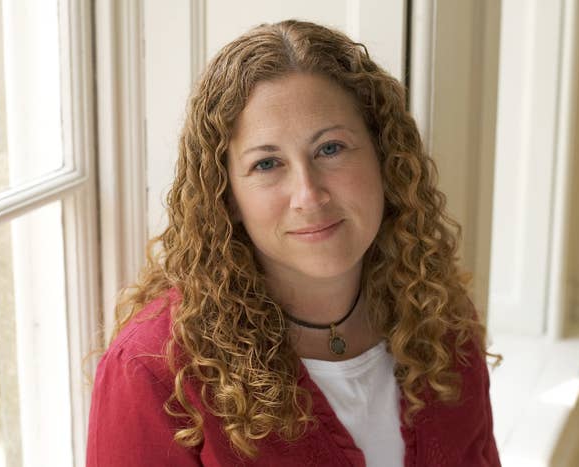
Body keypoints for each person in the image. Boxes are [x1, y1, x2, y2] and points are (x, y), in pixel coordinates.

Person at [86, 19, 502, 467]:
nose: (309, 195)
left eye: (331, 149)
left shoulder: (439, 316)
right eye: (267, 164)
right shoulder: (154, 369)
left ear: (385, 158)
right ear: (226, 196)